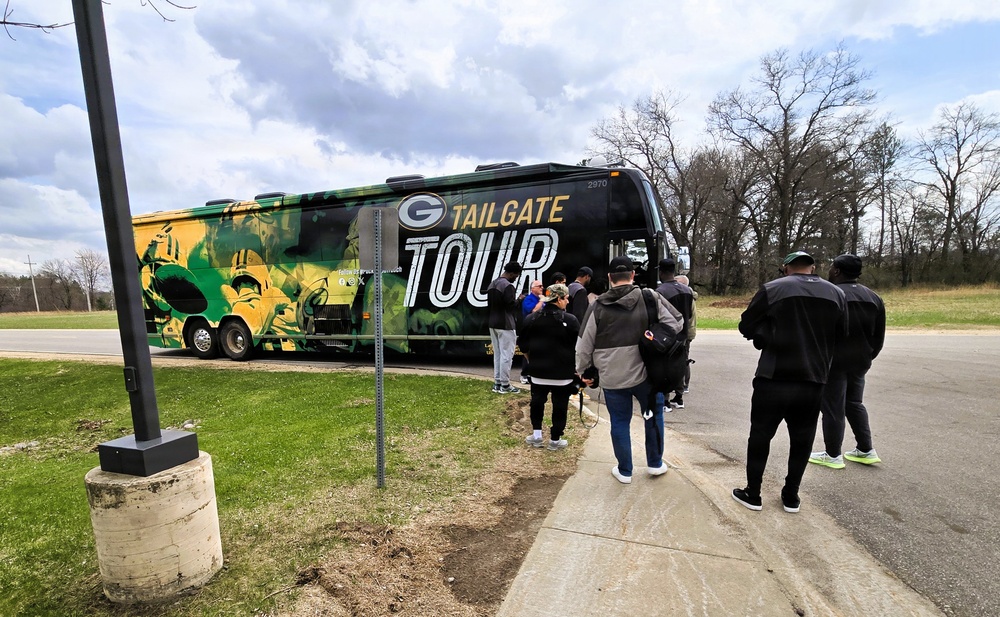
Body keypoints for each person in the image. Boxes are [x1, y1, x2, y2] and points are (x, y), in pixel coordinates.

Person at [733, 251, 847, 513]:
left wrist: (765, 333)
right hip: (813, 378)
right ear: (813, 268)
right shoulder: (836, 294)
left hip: (773, 376)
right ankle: (791, 495)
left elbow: (746, 325)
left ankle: (753, 492)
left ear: (785, 268)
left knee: (760, 435)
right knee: (802, 438)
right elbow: (842, 335)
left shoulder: (773, 289)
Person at [576, 256, 682, 484]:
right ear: (633, 276)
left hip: (612, 376)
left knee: (620, 422)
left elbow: (583, 345)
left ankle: (625, 471)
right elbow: (676, 323)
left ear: (609, 278)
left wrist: (582, 370)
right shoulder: (649, 297)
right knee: (653, 416)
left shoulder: (598, 305)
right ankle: (655, 464)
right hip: (648, 373)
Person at [809, 254, 886, 469]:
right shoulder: (874, 297)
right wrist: (868, 356)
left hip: (834, 362)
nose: (830, 269)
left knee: (833, 407)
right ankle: (865, 449)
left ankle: (833, 454)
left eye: (832, 266)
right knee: (854, 403)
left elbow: (820, 332)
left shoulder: (831, 294)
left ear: (837, 271)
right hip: (861, 360)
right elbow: (878, 336)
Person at [517, 284, 580, 451]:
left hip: (538, 372)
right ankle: (555, 439)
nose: (567, 302)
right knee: (560, 406)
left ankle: (537, 435)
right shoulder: (571, 320)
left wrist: (532, 360)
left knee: (537, 403)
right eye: (566, 298)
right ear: (559, 299)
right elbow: (578, 346)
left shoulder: (532, 319)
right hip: (563, 374)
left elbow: (523, 346)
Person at [654, 258, 693, 410]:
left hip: (666, 335)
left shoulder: (660, 292)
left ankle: (665, 400)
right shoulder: (687, 290)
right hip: (683, 334)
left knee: (664, 367)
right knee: (680, 364)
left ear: (661, 272)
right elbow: (689, 314)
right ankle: (679, 396)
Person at [487, 261, 523, 394]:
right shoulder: (507, 286)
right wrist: (520, 299)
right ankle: (505, 385)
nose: (516, 278)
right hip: (505, 324)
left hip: (492, 323)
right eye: (516, 275)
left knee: (497, 354)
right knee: (507, 355)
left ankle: (497, 382)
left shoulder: (492, 284)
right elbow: (511, 306)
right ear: (512, 273)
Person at [518, 280, 545, 384]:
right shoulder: (528, 299)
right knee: (528, 351)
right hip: (530, 329)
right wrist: (542, 301)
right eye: (539, 286)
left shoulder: (541, 299)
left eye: (542, 286)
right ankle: (524, 374)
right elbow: (534, 310)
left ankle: (535, 373)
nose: (542, 288)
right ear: (532, 288)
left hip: (540, 329)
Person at [675, 274, 697, 394]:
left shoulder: (687, 298)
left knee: (684, 358)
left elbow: (687, 317)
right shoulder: (688, 296)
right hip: (688, 330)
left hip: (686, 332)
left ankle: (684, 384)